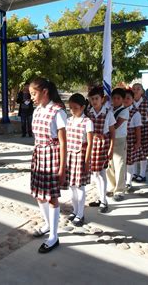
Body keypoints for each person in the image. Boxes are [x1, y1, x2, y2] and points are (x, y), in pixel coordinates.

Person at [29, 78, 67, 254]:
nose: (32, 98)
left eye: (34, 94)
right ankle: (47, 224)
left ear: (45, 92)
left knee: (52, 197)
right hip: (39, 155)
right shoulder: (37, 110)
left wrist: (62, 167)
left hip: (52, 156)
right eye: (30, 94)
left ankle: (54, 236)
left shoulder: (58, 111)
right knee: (39, 194)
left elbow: (63, 141)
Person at [63, 93, 93, 227]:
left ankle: (81, 213)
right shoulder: (69, 120)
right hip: (70, 156)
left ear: (83, 107)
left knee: (80, 187)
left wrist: (87, 162)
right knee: (72, 186)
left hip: (81, 156)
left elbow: (90, 143)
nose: (72, 110)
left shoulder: (87, 122)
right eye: (70, 108)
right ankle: (74, 210)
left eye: (75, 108)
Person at [87, 87, 115, 213]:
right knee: (95, 174)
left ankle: (104, 201)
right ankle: (100, 197)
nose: (94, 101)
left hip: (103, 145)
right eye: (92, 99)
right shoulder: (88, 112)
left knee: (101, 173)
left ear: (102, 99)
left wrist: (111, 148)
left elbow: (112, 132)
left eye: (96, 98)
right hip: (91, 145)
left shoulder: (108, 113)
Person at [107, 88, 129, 201]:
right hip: (109, 139)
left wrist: (106, 128)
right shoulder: (109, 109)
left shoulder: (125, 111)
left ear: (123, 99)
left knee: (119, 164)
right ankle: (111, 186)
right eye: (114, 98)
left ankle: (120, 190)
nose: (115, 100)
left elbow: (115, 126)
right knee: (109, 164)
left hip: (119, 139)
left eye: (118, 98)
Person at [131, 83, 148, 182]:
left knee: (143, 153)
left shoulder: (147, 103)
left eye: (138, 89)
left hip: (144, 130)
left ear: (142, 91)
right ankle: (134, 173)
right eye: (134, 89)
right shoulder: (129, 102)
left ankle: (143, 174)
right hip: (132, 130)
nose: (135, 90)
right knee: (134, 152)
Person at [123, 90, 144, 191]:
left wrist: (138, 142)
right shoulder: (117, 110)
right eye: (124, 98)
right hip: (120, 139)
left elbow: (138, 129)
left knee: (129, 162)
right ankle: (121, 180)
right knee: (121, 162)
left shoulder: (135, 113)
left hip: (130, 139)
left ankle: (128, 182)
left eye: (128, 98)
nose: (126, 100)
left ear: (132, 100)